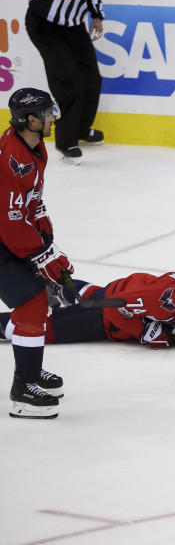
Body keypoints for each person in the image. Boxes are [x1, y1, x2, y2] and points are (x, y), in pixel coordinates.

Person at [25, 0, 119, 165]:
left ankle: (81, 129)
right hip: (45, 27)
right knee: (70, 83)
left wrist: (97, 15)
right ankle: (66, 142)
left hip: (73, 26)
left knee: (92, 79)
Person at [0, 89, 71, 419]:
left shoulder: (34, 145)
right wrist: (47, 258)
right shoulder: (12, 158)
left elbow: (31, 199)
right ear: (30, 120)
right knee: (31, 302)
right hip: (3, 237)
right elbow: (11, 225)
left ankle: (30, 370)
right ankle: (23, 390)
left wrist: (43, 226)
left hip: (7, 236)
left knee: (35, 299)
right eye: (47, 112)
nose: (52, 117)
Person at [0, 251, 175, 350]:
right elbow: (115, 307)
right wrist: (149, 332)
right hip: (115, 306)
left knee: (91, 298)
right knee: (43, 329)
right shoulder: (163, 298)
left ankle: (62, 286)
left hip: (132, 291)